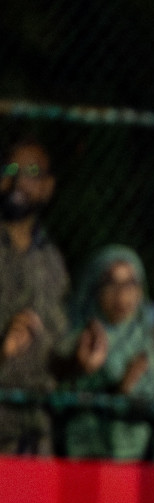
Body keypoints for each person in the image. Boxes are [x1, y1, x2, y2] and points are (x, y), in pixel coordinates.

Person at [51, 246, 154, 460]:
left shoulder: (145, 343)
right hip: (83, 460)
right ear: (94, 288)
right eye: (111, 283)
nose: (122, 293)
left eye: (130, 283)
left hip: (140, 463)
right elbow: (59, 397)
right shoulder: (79, 340)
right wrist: (117, 389)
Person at [0, 140, 68, 454]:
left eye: (30, 172)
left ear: (47, 187)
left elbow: (57, 345)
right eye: (9, 169)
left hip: (38, 428)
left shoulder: (52, 259)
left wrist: (79, 360)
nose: (16, 181)